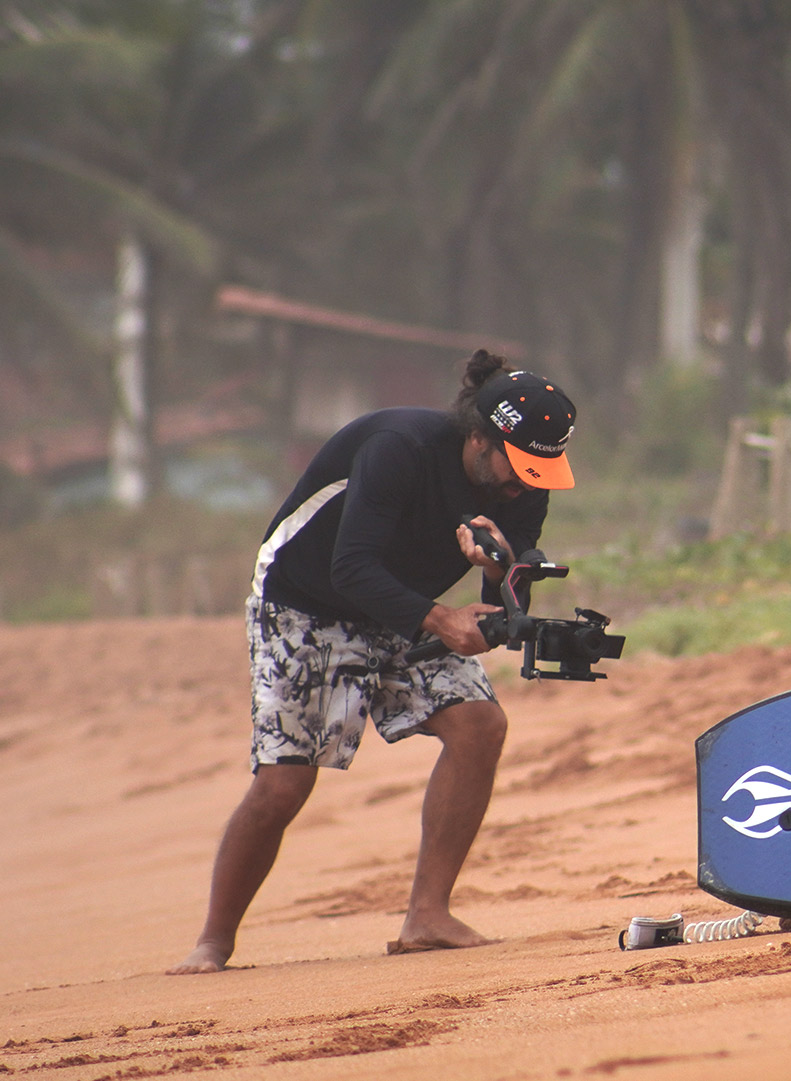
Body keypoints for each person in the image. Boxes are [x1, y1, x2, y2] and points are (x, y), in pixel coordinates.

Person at [168, 350, 576, 974]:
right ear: (479, 438)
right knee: (285, 783)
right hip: (306, 601)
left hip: (405, 606)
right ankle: (213, 942)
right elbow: (351, 567)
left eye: (539, 472)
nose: (525, 485)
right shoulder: (399, 447)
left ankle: (427, 916)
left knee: (479, 724)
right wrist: (441, 620)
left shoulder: (524, 484)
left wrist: (498, 577)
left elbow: (507, 589)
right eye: (518, 467)